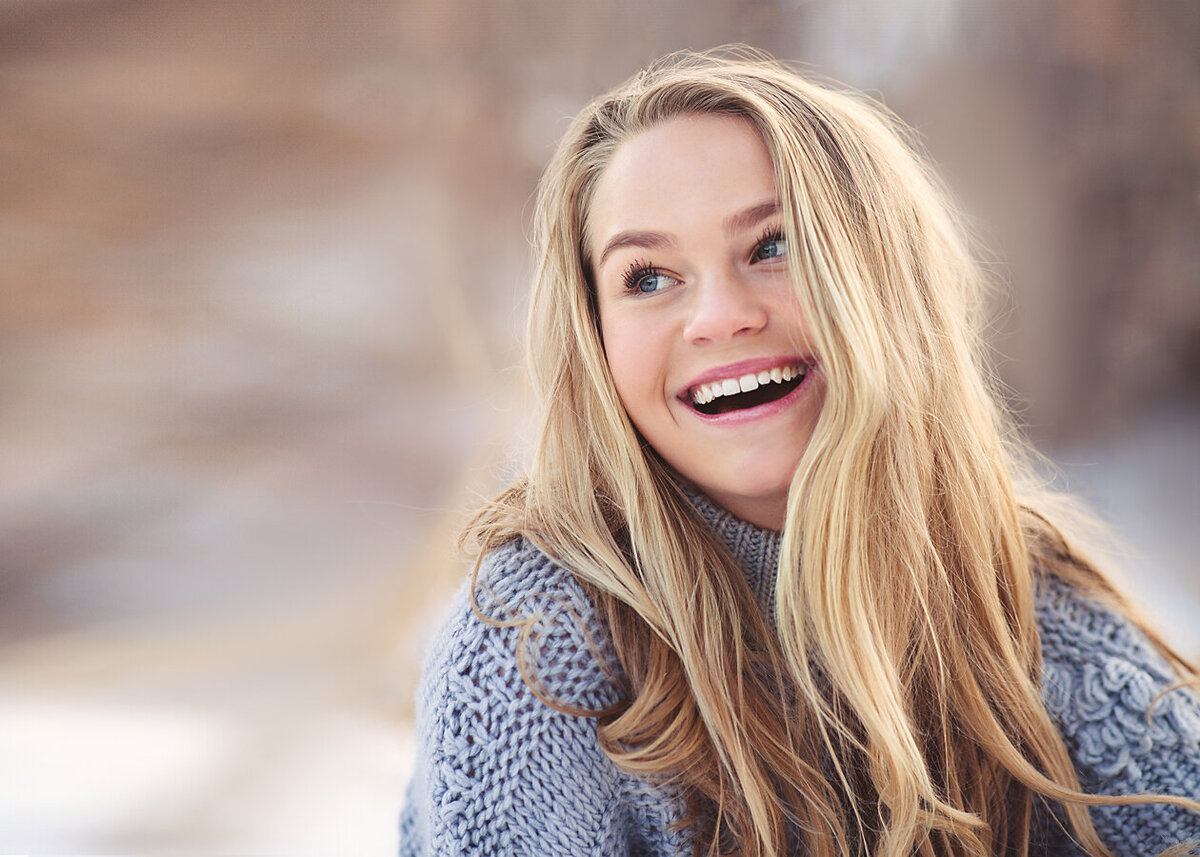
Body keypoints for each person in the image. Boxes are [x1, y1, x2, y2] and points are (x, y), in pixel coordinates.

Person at [397, 48, 1200, 857]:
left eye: (772, 246)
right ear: (594, 338)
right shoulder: (534, 641)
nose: (719, 316)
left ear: (883, 282)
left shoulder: (1019, 604)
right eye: (646, 277)